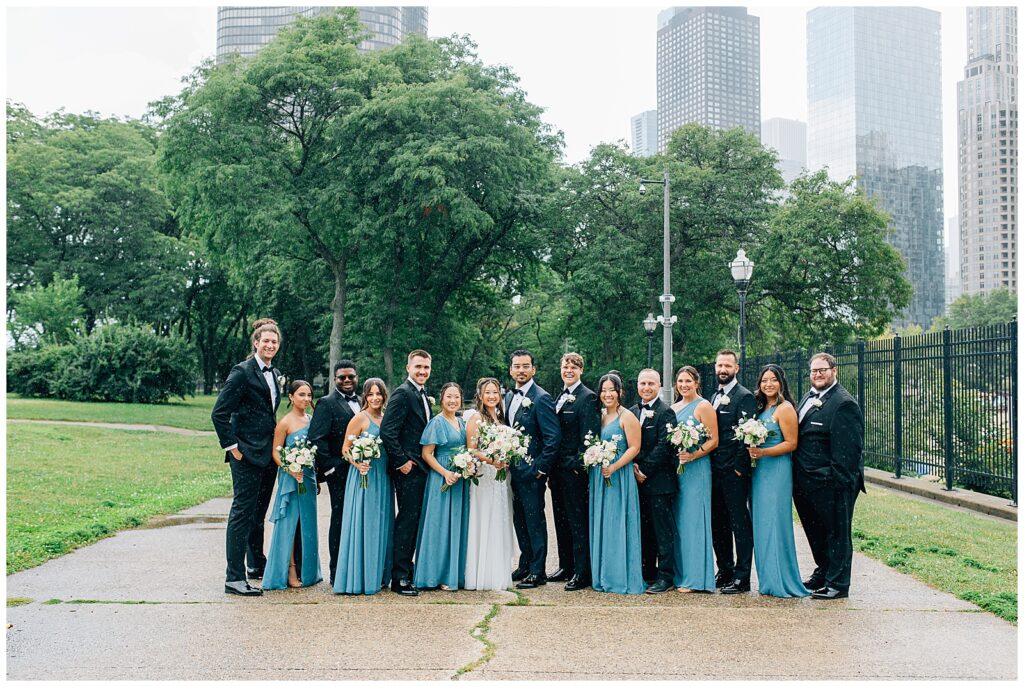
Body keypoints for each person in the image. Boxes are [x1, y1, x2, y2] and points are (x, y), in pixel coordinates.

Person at [211, 318, 283, 596]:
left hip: (267, 455)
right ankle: (234, 577)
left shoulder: (274, 373)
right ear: (256, 343)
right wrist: (232, 447)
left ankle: (256, 565)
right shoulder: (242, 372)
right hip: (246, 455)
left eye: (274, 342)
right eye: (265, 341)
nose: (270, 345)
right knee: (242, 513)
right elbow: (219, 413)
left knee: (258, 514)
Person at [793, 353, 865, 600]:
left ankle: (838, 583)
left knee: (837, 533)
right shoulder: (809, 397)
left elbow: (848, 452)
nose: (818, 375)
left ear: (835, 371)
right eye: (814, 371)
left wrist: (838, 483)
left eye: (822, 370)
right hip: (806, 482)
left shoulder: (844, 403)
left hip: (831, 484)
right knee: (816, 532)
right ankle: (823, 572)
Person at [748, 364, 808, 598]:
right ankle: (768, 581)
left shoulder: (785, 409)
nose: (768, 384)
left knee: (775, 523)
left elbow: (791, 443)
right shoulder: (762, 409)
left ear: (781, 382)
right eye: (764, 380)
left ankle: (782, 580)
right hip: (760, 472)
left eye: (773, 380)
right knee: (762, 524)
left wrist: (763, 453)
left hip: (777, 471)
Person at [505, 349, 561, 589]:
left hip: (532, 473)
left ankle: (538, 571)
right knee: (519, 519)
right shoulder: (507, 397)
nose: (521, 370)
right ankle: (525, 563)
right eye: (517, 366)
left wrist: (541, 468)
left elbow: (553, 437)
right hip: (511, 472)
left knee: (535, 520)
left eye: (525, 366)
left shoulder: (541, 398)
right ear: (511, 370)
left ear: (533, 370)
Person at [379, 349, 433, 597]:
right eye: (418, 367)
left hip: (422, 468)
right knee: (407, 522)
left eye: (426, 368)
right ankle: (399, 577)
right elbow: (387, 431)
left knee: (413, 521)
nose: (422, 371)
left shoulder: (421, 394)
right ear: (408, 368)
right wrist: (402, 462)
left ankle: (407, 572)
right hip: (408, 470)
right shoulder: (402, 393)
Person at [333, 378, 394, 595]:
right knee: (364, 523)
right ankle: (360, 576)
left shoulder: (386, 417)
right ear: (365, 396)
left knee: (381, 523)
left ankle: (378, 575)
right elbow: (345, 449)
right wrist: (358, 462)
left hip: (383, 478)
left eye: (379, 394)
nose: (375, 398)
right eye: (371, 394)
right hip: (364, 476)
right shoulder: (360, 418)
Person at [589, 373, 645, 594]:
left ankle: (620, 576)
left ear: (620, 392)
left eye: (611, 390)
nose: (607, 394)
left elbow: (634, 447)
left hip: (619, 477)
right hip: (600, 476)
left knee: (617, 522)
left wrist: (614, 467)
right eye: (603, 390)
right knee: (603, 523)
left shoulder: (627, 416)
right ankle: (604, 573)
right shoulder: (600, 416)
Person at [263, 380, 322, 590]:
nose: (306, 399)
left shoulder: (311, 419)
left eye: (308, 395)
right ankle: (289, 570)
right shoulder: (285, 423)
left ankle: (310, 571)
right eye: (301, 395)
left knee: (308, 524)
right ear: (291, 397)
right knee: (288, 524)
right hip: (291, 478)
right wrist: (290, 468)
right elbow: (275, 452)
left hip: (308, 477)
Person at [550, 352, 601, 591]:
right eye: (565, 366)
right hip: (556, 471)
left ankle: (582, 571)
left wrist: (576, 465)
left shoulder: (588, 397)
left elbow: (589, 438)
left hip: (573, 472)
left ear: (581, 370)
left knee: (577, 521)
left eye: (574, 366)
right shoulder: (559, 396)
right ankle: (566, 565)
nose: (568, 370)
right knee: (560, 519)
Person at [709, 349, 757, 594]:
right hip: (714, 471)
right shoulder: (714, 395)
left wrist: (739, 468)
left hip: (733, 473)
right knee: (718, 523)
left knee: (739, 524)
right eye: (719, 365)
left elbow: (747, 434)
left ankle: (742, 576)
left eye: (728, 365)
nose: (723, 370)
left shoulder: (744, 396)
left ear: (736, 368)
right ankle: (724, 569)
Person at [414, 382, 470, 591]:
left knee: (455, 525)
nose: (453, 400)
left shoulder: (462, 422)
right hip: (441, 478)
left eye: (456, 397)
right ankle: (432, 575)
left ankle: (452, 574)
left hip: (459, 478)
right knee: (438, 525)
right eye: (449, 397)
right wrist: (445, 473)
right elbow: (426, 454)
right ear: (442, 398)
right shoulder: (436, 422)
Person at [308, 359, 360, 586]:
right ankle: (337, 570)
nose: (347, 381)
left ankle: (357, 565)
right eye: (342, 377)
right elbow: (316, 439)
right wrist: (330, 468)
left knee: (358, 518)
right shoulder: (326, 403)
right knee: (339, 518)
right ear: (335, 379)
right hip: (339, 473)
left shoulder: (363, 402)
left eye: (351, 377)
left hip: (363, 472)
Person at [464, 378, 515, 591]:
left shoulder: (500, 417)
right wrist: (492, 460)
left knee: (500, 520)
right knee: (485, 518)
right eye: (488, 392)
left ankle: (498, 572)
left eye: (495, 392)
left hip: (501, 477)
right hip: (485, 476)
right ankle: (481, 574)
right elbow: (472, 449)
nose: (492, 396)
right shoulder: (476, 418)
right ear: (480, 395)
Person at [630, 369, 678, 594]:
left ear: (659, 385)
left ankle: (665, 576)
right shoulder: (631, 412)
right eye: (642, 383)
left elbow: (665, 446)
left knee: (662, 531)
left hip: (659, 483)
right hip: (636, 482)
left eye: (651, 383)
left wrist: (645, 469)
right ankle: (647, 571)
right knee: (644, 530)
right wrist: (633, 468)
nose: (646, 387)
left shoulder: (666, 413)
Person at [671, 366, 718, 593]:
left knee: (694, 521)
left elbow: (713, 440)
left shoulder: (703, 406)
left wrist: (693, 454)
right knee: (680, 522)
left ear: (696, 383)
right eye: (680, 381)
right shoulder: (673, 407)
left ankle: (696, 578)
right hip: (678, 470)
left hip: (696, 469)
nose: (684, 385)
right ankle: (680, 574)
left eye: (688, 381)